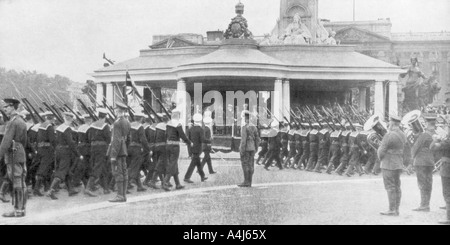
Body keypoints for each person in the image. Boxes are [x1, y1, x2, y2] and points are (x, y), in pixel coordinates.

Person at [0, 99, 28, 218]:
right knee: (21, 181)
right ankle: (21, 209)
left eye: (6, 106)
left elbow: (6, 141)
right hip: (20, 152)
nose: (5, 108)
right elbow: (25, 141)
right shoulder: (21, 121)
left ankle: (18, 210)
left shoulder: (12, 122)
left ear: (12, 107)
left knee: (17, 182)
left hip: (12, 153)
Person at [47, 112, 81, 200]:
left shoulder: (59, 128)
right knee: (62, 171)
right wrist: (77, 154)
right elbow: (71, 142)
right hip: (65, 151)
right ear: (71, 119)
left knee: (65, 170)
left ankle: (70, 189)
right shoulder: (67, 129)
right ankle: (51, 190)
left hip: (58, 150)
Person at [378, 115, 407, 216]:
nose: (388, 124)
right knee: (397, 186)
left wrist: (380, 158)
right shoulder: (403, 134)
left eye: (389, 123)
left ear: (392, 123)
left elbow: (381, 151)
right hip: (398, 162)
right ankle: (396, 209)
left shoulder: (388, 135)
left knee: (390, 187)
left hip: (388, 163)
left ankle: (391, 209)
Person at [411, 115, 437, 212]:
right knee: (428, 183)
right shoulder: (435, 134)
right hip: (430, 162)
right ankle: (427, 204)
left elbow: (415, 148)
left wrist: (411, 159)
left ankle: (423, 205)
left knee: (422, 184)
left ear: (427, 123)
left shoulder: (424, 135)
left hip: (421, 162)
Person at [107, 102, 131, 203]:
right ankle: (123, 195)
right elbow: (129, 138)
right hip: (123, 149)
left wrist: (113, 154)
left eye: (116, 109)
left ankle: (120, 195)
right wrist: (125, 148)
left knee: (118, 172)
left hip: (117, 150)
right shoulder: (127, 122)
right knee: (124, 172)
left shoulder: (117, 123)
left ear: (118, 110)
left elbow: (115, 140)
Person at [163, 109, 192, 191]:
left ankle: (178, 184)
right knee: (172, 164)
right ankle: (165, 182)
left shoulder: (168, 124)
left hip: (168, 144)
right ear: (178, 116)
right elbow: (182, 135)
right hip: (175, 146)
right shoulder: (178, 124)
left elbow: (166, 135)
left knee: (174, 164)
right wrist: (189, 142)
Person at [85, 108, 111, 197]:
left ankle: (106, 188)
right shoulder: (105, 126)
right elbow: (109, 138)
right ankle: (88, 188)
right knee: (98, 166)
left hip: (93, 147)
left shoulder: (92, 125)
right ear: (105, 116)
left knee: (102, 167)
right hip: (101, 148)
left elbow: (88, 137)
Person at [430, 122, 450, 224]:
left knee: (447, 193)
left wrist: (436, 139)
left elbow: (432, 147)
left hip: (447, 168)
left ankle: (448, 218)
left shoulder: (446, 142)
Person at [33, 112, 57, 196]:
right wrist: (56, 148)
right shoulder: (49, 127)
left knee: (45, 168)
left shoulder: (41, 126)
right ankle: (36, 188)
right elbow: (52, 139)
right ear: (52, 118)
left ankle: (46, 187)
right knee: (44, 169)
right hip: (47, 150)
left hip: (40, 149)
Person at [127, 112, 150, 192]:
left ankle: (139, 186)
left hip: (129, 147)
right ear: (141, 118)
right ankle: (126, 185)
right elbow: (143, 139)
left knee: (134, 166)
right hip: (137, 148)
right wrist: (147, 149)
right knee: (134, 167)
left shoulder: (129, 125)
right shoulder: (140, 127)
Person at [238, 110, 260, 187]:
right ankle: (249, 181)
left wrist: (241, 150)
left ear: (245, 118)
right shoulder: (254, 127)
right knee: (251, 165)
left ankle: (246, 181)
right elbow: (257, 139)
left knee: (245, 164)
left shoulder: (244, 127)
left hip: (246, 148)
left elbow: (243, 140)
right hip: (252, 148)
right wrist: (256, 148)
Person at [184, 113, 207, 183]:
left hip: (192, 147)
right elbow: (202, 139)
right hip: (198, 148)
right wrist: (209, 141)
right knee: (194, 163)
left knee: (198, 162)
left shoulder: (191, 129)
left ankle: (202, 176)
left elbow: (189, 138)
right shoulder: (200, 129)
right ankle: (187, 177)